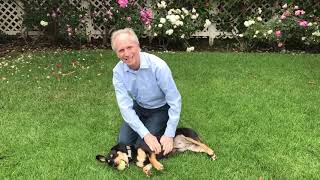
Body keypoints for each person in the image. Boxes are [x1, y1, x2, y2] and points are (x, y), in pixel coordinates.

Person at [111, 28, 181, 155]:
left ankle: (160, 124)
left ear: (138, 47)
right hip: (139, 106)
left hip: (160, 108)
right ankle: (146, 128)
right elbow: (125, 107)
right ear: (117, 53)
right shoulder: (118, 72)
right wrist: (146, 134)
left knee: (141, 146)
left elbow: (175, 100)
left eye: (129, 47)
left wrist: (169, 133)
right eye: (121, 50)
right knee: (123, 141)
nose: (126, 53)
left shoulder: (158, 66)